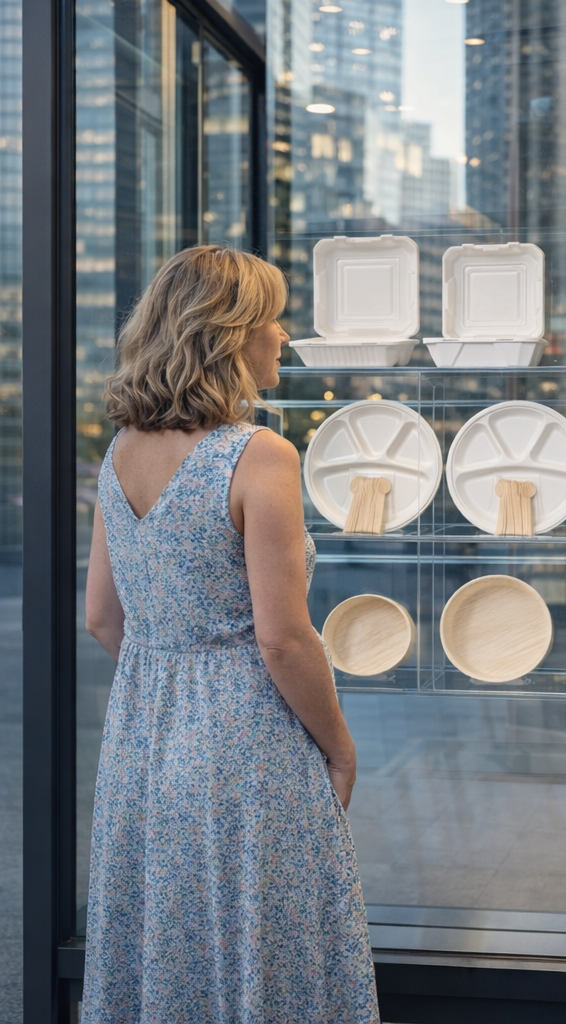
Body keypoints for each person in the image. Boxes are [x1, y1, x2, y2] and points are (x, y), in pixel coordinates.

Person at [82, 246, 380, 1022]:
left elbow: (102, 618)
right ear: (227, 335)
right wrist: (340, 749)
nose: (282, 334)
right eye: (269, 319)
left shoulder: (119, 453)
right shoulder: (258, 455)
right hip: (248, 747)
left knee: (168, 941)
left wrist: (177, 675)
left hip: (144, 741)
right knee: (263, 945)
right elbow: (283, 639)